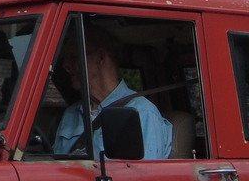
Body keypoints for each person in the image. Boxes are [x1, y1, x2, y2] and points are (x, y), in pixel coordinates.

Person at [53, 24, 172, 160]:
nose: (65, 65)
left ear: (101, 57)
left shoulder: (142, 112)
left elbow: (143, 177)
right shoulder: (70, 114)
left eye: (74, 57)